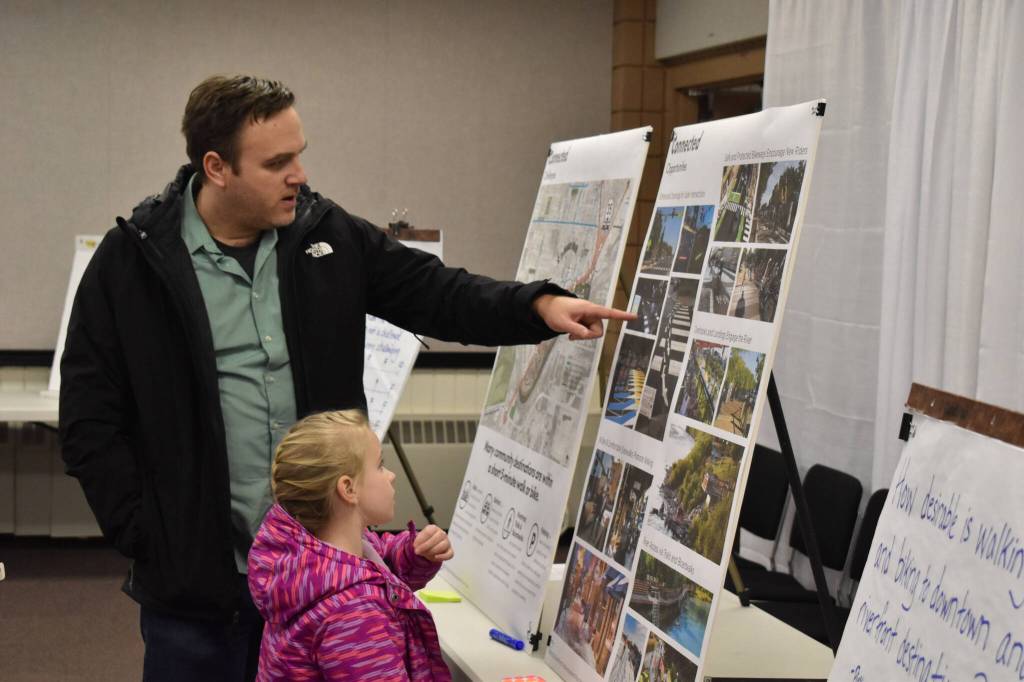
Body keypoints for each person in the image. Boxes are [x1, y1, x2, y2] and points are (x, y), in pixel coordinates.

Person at [58, 74, 634, 681]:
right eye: (277, 161)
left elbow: (434, 292)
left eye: (299, 153)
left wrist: (536, 307)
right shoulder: (133, 263)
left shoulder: (323, 235)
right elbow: (89, 421)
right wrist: (149, 535)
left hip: (326, 583)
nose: (299, 174)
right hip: (200, 598)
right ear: (216, 167)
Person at [248, 409, 451, 680]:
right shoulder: (354, 615)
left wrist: (414, 554)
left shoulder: (308, 564)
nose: (390, 475)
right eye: (379, 465)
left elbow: (379, 561)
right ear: (348, 489)